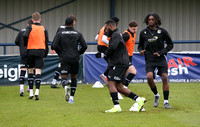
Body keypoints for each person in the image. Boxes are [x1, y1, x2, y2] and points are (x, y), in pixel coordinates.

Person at [104, 19, 146, 113]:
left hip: (118, 62)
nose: (106, 31)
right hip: (123, 62)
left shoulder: (116, 35)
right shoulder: (119, 34)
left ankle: (116, 106)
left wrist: (104, 54)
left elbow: (112, 47)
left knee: (111, 83)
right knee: (119, 87)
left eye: (106, 29)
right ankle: (139, 100)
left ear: (110, 26)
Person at [138, 12, 174, 109]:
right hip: (149, 58)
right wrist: (140, 51)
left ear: (157, 20)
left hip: (161, 58)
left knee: (164, 77)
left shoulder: (162, 31)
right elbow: (140, 45)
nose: (150, 21)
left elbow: (170, 45)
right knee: (149, 77)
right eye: (149, 19)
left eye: (152, 19)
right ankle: (156, 94)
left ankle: (166, 102)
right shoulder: (143, 32)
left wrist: (161, 52)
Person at [52, 17, 87, 104]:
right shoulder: (77, 33)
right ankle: (71, 98)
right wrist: (79, 53)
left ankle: (65, 87)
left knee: (63, 77)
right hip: (75, 58)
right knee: (74, 77)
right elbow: (85, 46)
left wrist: (60, 53)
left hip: (64, 58)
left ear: (65, 23)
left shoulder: (60, 33)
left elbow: (54, 45)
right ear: (73, 23)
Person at [23, 12, 49, 100]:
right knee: (38, 71)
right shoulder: (44, 29)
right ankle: (37, 91)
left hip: (31, 50)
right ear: (40, 19)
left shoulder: (30, 27)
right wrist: (46, 52)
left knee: (30, 70)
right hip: (41, 50)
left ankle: (31, 92)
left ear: (32, 19)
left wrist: (27, 44)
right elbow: (46, 41)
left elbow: (25, 35)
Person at [50, 15, 77, 88]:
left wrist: (53, 47)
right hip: (64, 49)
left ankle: (58, 81)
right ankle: (56, 81)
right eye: (74, 21)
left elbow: (56, 37)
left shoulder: (61, 27)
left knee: (61, 64)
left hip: (61, 49)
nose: (74, 23)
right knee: (62, 65)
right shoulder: (66, 29)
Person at [95, 16, 120, 85]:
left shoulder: (102, 28)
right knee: (113, 62)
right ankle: (106, 76)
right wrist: (111, 44)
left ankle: (107, 77)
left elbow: (96, 38)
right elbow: (103, 39)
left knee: (111, 62)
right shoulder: (108, 28)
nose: (117, 25)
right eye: (117, 23)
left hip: (99, 46)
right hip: (104, 47)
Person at [15, 20, 33, 96]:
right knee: (31, 70)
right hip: (31, 53)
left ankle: (21, 89)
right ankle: (29, 87)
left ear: (27, 24)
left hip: (23, 53)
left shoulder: (21, 32)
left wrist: (22, 47)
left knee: (23, 70)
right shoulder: (33, 31)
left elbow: (16, 41)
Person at [122, 20, 138, 88]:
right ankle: (125, 87)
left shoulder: (133, 34)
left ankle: (120, 86)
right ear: (129, 27)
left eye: (136, 29)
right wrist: (124, 51)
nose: (135, 30)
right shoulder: (126, 35)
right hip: (124, 56)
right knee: (133, 72)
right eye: (133, 29)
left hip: (129, 56)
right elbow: (118, 43)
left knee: (125, 73)